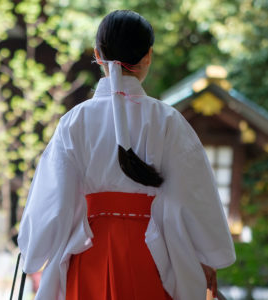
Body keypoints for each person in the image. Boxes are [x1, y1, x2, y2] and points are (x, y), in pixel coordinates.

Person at [17, 10, 236, 300]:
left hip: (88, 252)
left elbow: (53, 200)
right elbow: (192, 195)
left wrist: (33, 250)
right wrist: (206, 254)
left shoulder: (74, 122)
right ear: (148, 56)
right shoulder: (167, 120)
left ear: (97, 54)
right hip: (154, 254)